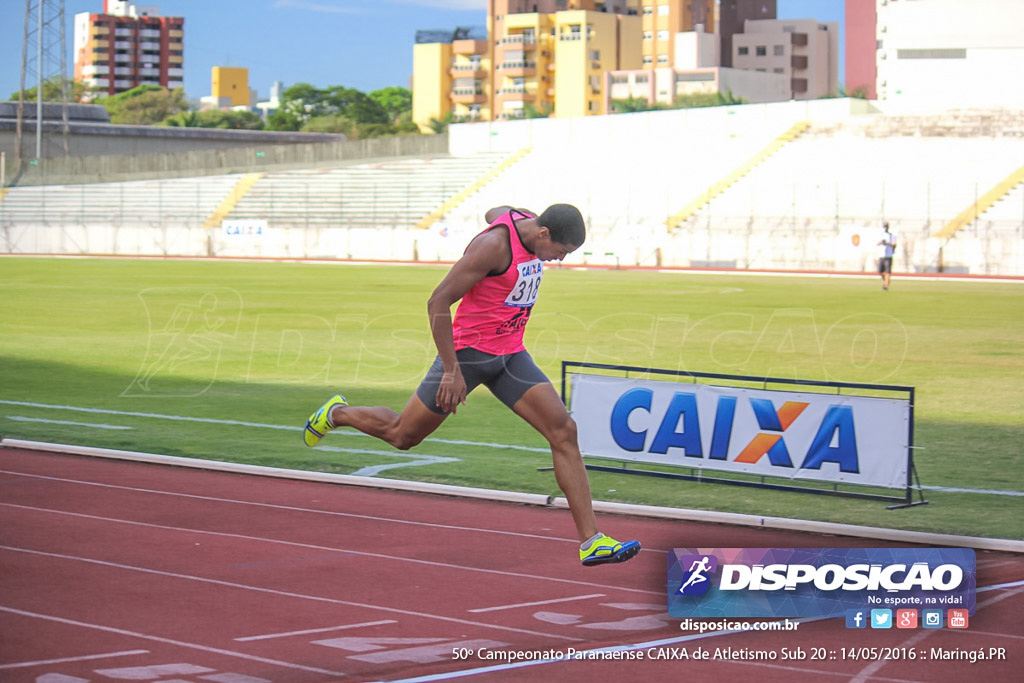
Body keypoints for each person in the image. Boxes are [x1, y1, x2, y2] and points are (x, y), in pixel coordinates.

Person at [303, 204, 641, 567]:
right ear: (543, 235)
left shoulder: (523, 219)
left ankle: (591, 540)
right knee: (403, 435)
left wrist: (501, 218)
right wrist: (451, 371)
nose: (556, 260)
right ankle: (337, 414)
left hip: (510, 355)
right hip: (467, 356)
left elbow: (495, 210)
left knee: (564, 431)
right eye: (558, 253)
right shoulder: (493, 248)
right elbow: (438, 301)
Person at [877, 221, 897, 290]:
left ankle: (885, 286)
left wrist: (888, 243)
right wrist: (882, 242)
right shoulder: (881, 235)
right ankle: (886, 280)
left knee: (888, 272)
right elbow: (877, 243)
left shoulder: (892, 236)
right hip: (881, 255)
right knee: (880, 271)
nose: (885, 228)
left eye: (886, 226)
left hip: (888, 256)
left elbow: (894, 244)